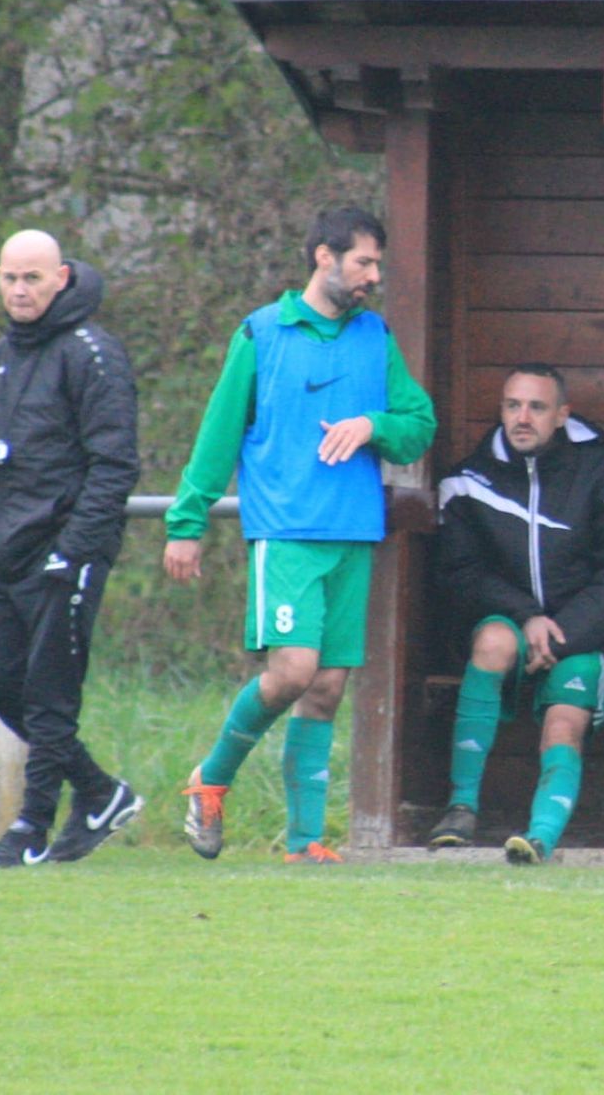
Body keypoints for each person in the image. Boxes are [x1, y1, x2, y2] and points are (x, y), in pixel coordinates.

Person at [165, 205, 435, 864]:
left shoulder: (375, 337)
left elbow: (418, 421)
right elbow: (218, 435)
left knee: (327, 686)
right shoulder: (262, 333)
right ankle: (212, 777)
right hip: (285, 533)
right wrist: (187, 523)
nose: (373, 275)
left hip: (354, 533)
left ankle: (304, 842)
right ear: (324, 257)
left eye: (378, 264)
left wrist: (373, 425)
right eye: (363, 262)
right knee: (292, 671)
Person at [425, 364, 604, 864]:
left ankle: (540, 836)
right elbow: (459, 573)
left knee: (564, 722)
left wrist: (562, 634)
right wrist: (526, 616)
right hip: (508, 626)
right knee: (493, 642)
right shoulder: (467, 481)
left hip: (585, 637)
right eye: (512, 405)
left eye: (536, 407)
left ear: (563, 416)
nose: (522, 418)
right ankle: (461, 808)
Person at [0, 229, 142, 868]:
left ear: (62, 277)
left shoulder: (93, 353)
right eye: (10, 278)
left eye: (33, 278)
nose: (20, 290)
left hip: (63, 551)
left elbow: (115, 464)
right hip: (1, 554)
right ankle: (101, 793)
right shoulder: (2, 354)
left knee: (49, 695)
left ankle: (31, 827)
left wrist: (72, 549)